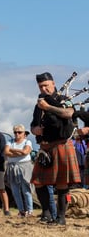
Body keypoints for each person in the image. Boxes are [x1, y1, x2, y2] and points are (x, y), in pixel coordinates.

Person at [30, 72, 80, 225]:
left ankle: (61, 217)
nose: (43, 88)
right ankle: (46, 214)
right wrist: (35, 130)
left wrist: (49, 107)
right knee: (38, 182)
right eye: (40, 86)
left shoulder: (64, 99)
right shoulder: (39, 104)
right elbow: (33, 124)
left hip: (61, 145)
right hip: (45, 147)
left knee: (61, 183)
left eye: (46, 85)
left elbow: (68, 114)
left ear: (53, 84)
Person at [4, 125, 33, 217]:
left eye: (19, 132)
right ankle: (21, 210)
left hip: (25, 166)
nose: (17, 134)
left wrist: (12, 150)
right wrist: (20, 152)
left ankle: (30, 210)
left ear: (24, 133)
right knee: (15, 190)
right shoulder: (10, 141)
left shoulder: (27, 141)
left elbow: (25, 152)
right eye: (15, 132)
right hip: (12, 167)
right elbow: (6, 152)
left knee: (26, 189)